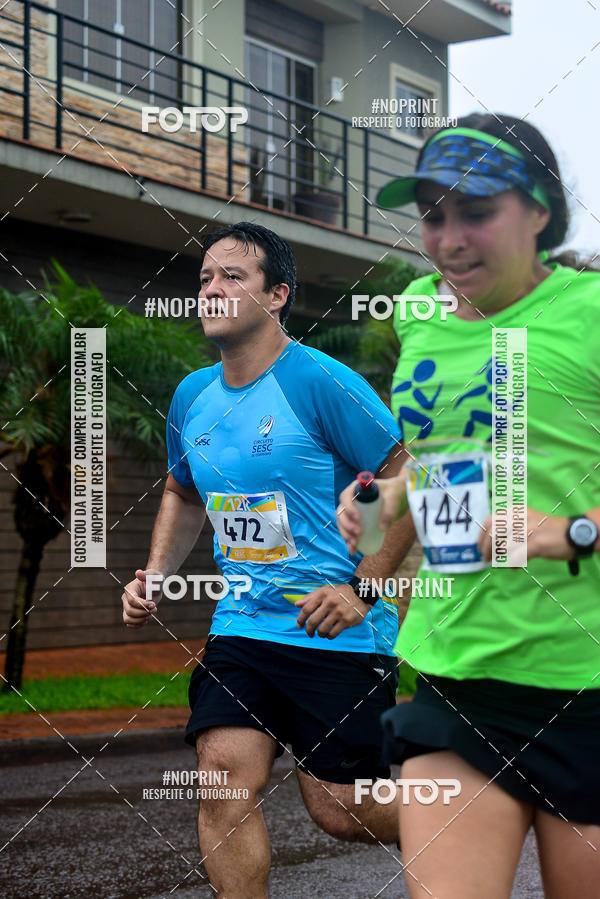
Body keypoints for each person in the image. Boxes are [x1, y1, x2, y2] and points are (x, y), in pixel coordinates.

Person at [338, 115, 600, 898]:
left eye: (476, 211)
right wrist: (382, 506)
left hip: (585, 679)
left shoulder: (589, 312)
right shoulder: (420, 312)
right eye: (432, 215)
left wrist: (574, 531)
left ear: (541, 211)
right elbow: (433, 458)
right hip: (459, 672)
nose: (449, 239)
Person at [121, 222, 415, 897]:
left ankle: (467, 810)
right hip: (243, 626)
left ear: (277, 293)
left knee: (342, 808)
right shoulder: (193, 396)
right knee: (221, 774)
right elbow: (181, 488)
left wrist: (363, 589)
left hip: (336, 626)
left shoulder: (318, 380)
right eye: (203, 279)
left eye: (233, 276)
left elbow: (408, 474)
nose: (212, 289)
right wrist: (156, 575)